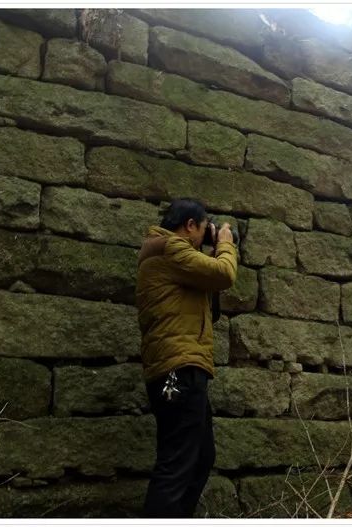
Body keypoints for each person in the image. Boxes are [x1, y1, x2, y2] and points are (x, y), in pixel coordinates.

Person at [135, 198, 238, 518]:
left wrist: (208, 249)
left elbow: (211, 303)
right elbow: (223, 274)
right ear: (190, 225)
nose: (206, 233)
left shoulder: (169, 254)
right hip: (179, 368)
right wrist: (224, 244)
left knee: (200, 456)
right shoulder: (170, 248)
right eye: (204, 227)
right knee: (178, 463)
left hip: (181, 367)